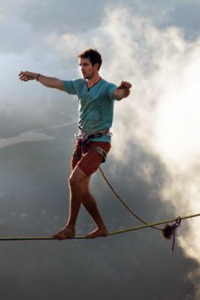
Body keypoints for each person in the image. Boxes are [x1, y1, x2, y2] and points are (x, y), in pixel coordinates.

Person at [18, 49, 132, 240]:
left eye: (85, 65)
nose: (82, 69)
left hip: (99, 143)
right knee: (82, 189)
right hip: (82, 143)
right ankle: (101, 228)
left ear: (96, 66)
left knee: (73, 181)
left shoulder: (106, 87)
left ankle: (70, 228)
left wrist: (125, 89)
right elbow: (55, 83)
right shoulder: (80, 85)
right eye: (80, 65)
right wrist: (36, 76)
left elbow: (119, 94)